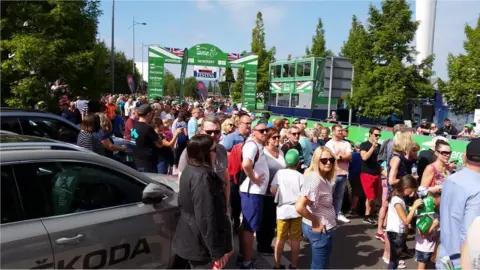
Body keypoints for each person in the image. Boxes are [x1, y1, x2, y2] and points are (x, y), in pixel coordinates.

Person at [173, 135, 233, 269]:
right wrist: (216, 251)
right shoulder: (202, 177)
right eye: (214, 150)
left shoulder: (190, 169)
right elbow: (206, 217)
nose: (216, 153)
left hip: (195, 238)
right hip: (201, 244)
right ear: (204, 154)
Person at [436, 138, 480, 269]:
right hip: (461, 262)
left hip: (444, 257)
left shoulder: (451, 179)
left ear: (465, 156)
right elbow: (469, 235)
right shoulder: (477, 189)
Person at [295, 147, 337, 269]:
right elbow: (299, 206)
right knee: (319, 266)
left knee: (322, 264)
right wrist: (316, 222)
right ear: (316, 161)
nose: (328, 162)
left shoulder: (322, 176)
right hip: (321, 229)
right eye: (324, 160)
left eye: (331, 159)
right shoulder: (315, 179)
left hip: (324, 226)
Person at [239, 118, 269, 269]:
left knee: (247, 227)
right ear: (253, 132)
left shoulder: (256, 145)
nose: (265, 133)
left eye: (266, 130)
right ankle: (247, 261)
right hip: (252, 192)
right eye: (261, 130)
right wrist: (254, 178)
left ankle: (244, 257)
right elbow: (246, 164)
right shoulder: (251, 146)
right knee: (250, 228)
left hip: (254, 192)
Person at [270, 149, 303, 269]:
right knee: (295, 239)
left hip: (282, 211)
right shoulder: (300, 176)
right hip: (296, 211)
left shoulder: (280, 173)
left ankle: (276, 264)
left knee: (280, 238)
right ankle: (293, 265)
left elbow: (273, 189)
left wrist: (279, 196)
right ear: (298, 162)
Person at [257, 128, 286, 255]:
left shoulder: (281, 152)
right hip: (265, 190)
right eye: (274, 137)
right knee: (264, 218)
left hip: (279, 192)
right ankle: (261, 245)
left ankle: (267, 244)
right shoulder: (263, 152)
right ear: (268, 139)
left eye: (278, 136)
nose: (277, 139)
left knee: (272, 219)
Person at [385, 175, 422, 270]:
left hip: (396, 232)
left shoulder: (398, 198)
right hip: (396, 233)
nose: (412, 193)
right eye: (411, 190)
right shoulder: (397, 200)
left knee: (395, 260)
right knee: (394, 261)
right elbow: (406, 221)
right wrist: (414, 207)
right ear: (405, 187)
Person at [326, 124, 352, 223]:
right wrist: (341, 157)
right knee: (329, 195)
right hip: (333, 174)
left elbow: (350, 156)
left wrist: (341, 157)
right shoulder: (329, 144)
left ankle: (338, 213)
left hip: (344, 173)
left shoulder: (346, 143)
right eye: (338, 131)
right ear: (333, 132)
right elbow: (333, 158)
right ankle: (328, 214)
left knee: (340, 196)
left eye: (341, 130)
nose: (341, 132)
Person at [130, 104, 163, 173]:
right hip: (147, 164)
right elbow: (160, 142)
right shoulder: (147, 128)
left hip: (136, 161)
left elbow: (134, 141)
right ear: (148, 114)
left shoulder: (134, 125)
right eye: (152, 114)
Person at [359, 127, 382, 225]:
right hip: (366, 173)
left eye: (379, 135)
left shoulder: (380, 146)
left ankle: (370, 215)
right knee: (370, 197)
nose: (377, 137)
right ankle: (367, 215)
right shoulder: (364, 145)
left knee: (374, 197)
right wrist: (372, 147)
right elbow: (364, 157)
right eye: (376, 135)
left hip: (376, 173)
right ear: (370, 134)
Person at [415, 192, 441, 270]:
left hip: (430, 247)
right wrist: (434, 224)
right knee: (422, 265)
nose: (433, 205)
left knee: (425, 265)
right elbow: (422, 233)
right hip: (423, 248)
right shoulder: (424, 216)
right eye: (431, 203)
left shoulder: (434, 214)